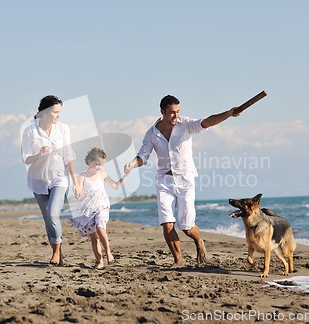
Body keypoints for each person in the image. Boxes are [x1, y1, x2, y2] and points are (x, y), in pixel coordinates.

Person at [124, 95, 240, 268]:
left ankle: (199, 241)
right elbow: (143, 155)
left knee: (186, 226)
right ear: (162, 112)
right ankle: (178, 260)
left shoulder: (186, 124)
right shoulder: (152, 133)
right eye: (171, 112)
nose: (175, 116)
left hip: (185, 180)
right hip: (164, 180)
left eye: (177, 112)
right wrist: (132, 164)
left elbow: (207, 122)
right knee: (167, 224)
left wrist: (229, 113)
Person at [21, 95, 82, 266]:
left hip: (59, 178)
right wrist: (39, 154)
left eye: (60, 112)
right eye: (56, 112)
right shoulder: (30, 131)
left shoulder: (63, 129)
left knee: (53, 213)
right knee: (48, 219)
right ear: (45, 112)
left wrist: (76, 181)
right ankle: (59, 255)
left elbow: (68, 155)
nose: (58, 116)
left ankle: (55, 253)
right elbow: (26, 159)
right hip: (38, 180)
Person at [71, 147, 130, 269]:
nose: (99, 167)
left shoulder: (102, 174)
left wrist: (126, 174)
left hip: (101, 206)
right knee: (94, 237)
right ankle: (99, 262)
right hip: (88, 209)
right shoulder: (82, 176)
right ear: (89, 162)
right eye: (97, 164)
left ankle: (108, 251)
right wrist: (78, 192)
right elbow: (78, 192)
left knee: (100, 226)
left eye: (102, 165)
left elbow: (116, 186)